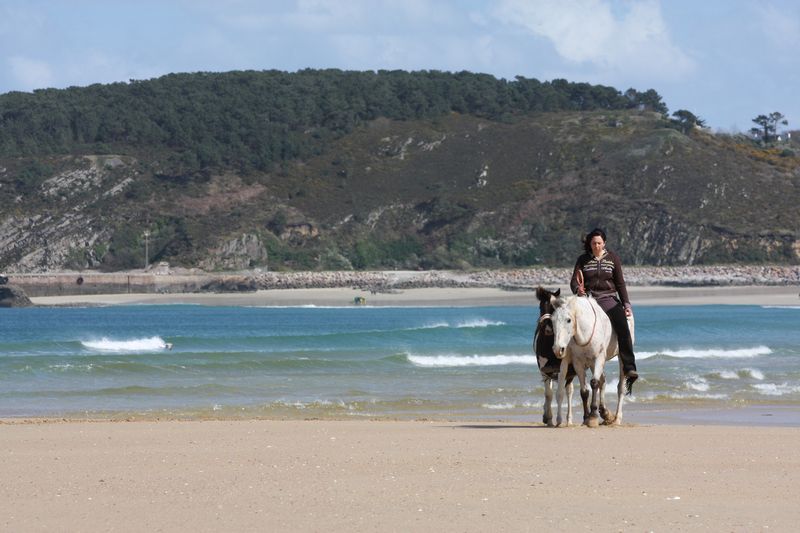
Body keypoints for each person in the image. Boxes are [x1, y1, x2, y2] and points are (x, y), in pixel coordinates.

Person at [569, 228, 638, 393]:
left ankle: (629, 367)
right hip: (588, 300)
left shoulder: (613, 258)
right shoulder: (583, 260)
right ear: (590, 244)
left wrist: (626, 304)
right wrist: (577, 290)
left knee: (623, 326)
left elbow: (620, 283)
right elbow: (574, 281)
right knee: (568, 322)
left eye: (599, 243)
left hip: (608, 299)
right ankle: (569, 364)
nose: (596, 246)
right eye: (594, 243)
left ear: (604, 243)